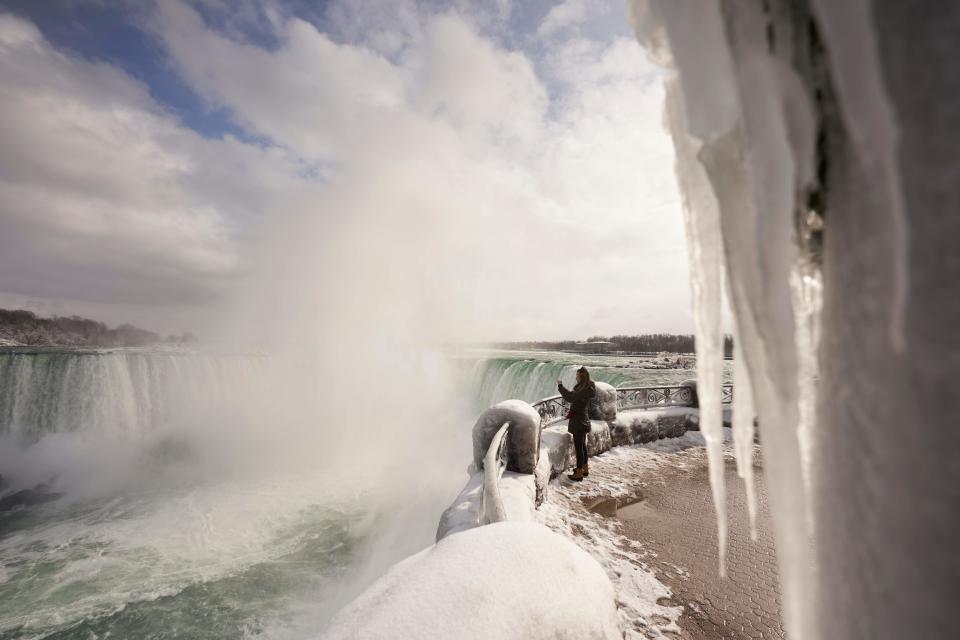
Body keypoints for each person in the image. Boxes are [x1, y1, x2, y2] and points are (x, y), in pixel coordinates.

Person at [557, 366, 596, 482]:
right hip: (583, 419)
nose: (576, 378)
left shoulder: (583, 390)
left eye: (577, 376)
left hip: (578, 421)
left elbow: (570, 397)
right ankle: (584, 468)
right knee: (582, 446)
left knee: (579, 448)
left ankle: (578, 473)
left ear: (581, 377)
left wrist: (560, 386)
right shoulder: (587, 388)